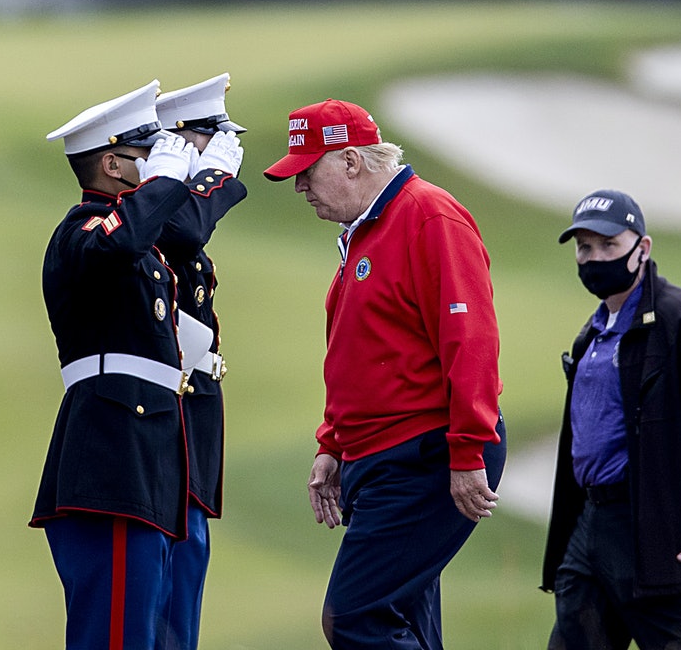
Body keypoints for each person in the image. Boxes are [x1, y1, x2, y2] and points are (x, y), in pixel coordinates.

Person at [263, 98, 505, 650]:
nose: (300, 187)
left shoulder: (428, 216)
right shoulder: (365, 232)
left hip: (425, 454)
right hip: (380, 456)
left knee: (354, 618)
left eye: (307, 171)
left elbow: (470, 342)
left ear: (351, 161)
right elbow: (360, 352)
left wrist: (468, 451)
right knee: (405, 621)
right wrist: (333, 443)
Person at [543, 190, 681, 650]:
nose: (594, 257)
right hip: (590, 526)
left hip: (656, 531)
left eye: (609, 245)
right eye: (584, 248)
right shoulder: (594, 330)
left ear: (642, 248)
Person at [33, 81, 201, 650]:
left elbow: (180, 230)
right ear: (111, 163)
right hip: (112, 456)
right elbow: (118, 239)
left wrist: (194, 181)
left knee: (149, 631)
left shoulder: (136, 236)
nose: (160, 162)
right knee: (114, 636)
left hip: (144, 457)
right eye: (146, 153)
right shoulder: (81, 232)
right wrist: (166, 184)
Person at [151, 75, 248, 650]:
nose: (224, 150)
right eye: (210, 139)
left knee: (183, 592)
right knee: (162, 597)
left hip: (193, 415)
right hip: (165, 414)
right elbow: (180, 230)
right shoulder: (155, 218)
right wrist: (209, 180)